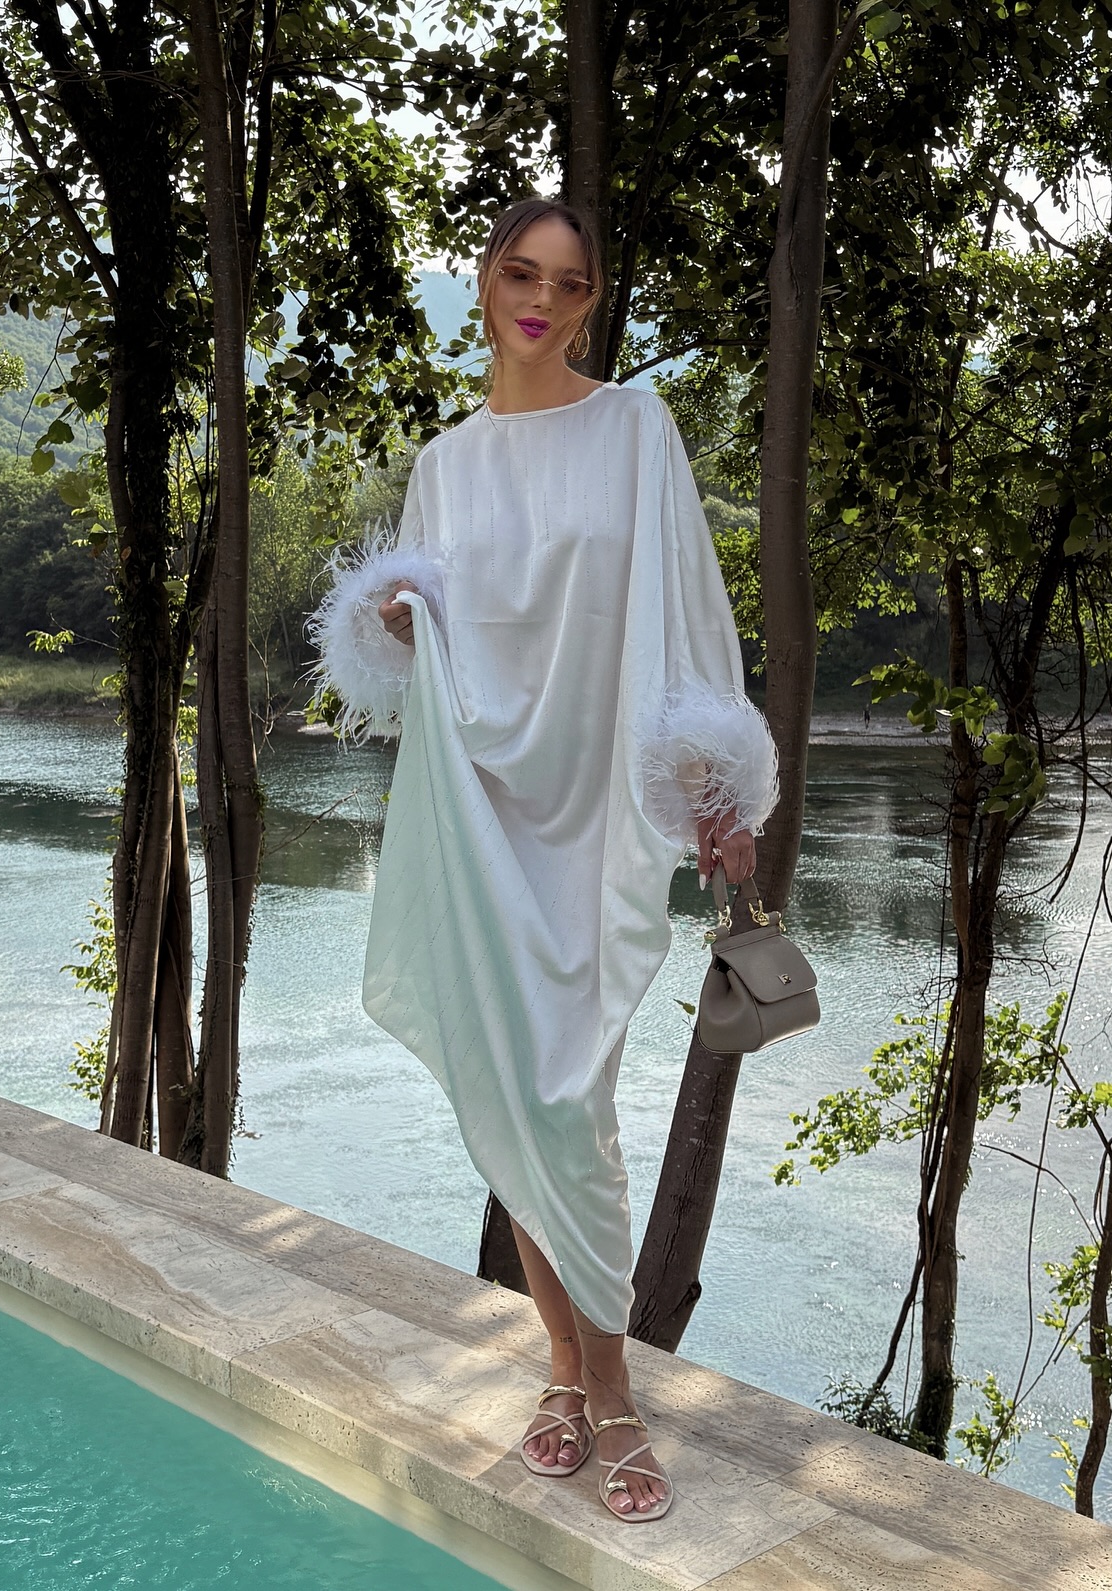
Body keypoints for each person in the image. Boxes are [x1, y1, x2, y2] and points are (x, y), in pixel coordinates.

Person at [311, 198, 778, 1523]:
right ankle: (568, 1375)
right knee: (517, 1092)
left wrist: (713, 792)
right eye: (521, 273)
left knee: (574, 1099)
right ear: (486, 279)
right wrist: (395, 625)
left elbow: (684, 616)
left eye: (568, 285)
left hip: (596, 809)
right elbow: (438, 645)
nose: (541, 302)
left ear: (590, 302)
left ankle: (610, 1388)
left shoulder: (634, 429)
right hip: (481, 808)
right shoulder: (446, 465)